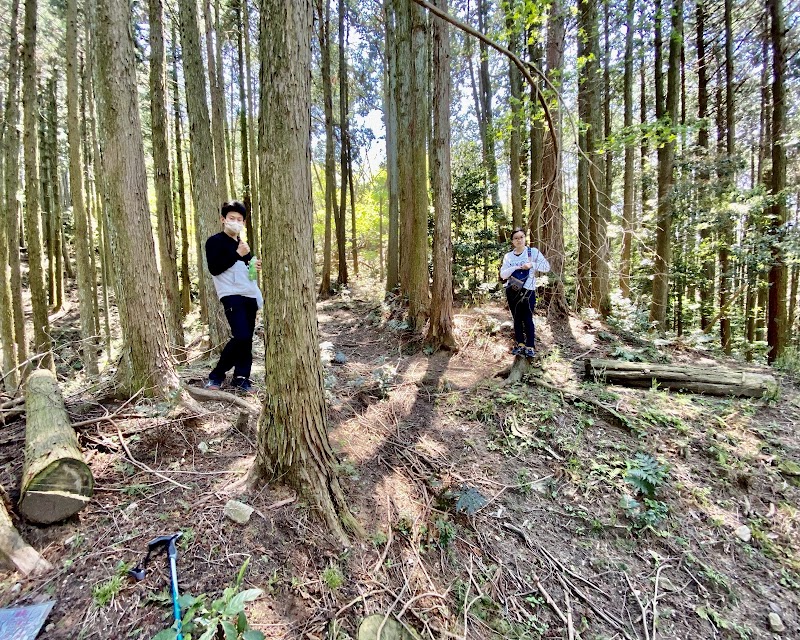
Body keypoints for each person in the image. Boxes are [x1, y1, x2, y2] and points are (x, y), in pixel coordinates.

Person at [204, 201, 263, 392]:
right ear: (223, 219)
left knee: (246, 339)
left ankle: (241, 378)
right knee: (241, 335)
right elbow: (215, 268)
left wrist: (254, 265)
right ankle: (217, 375)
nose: (235, 222)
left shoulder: (243, 244)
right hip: (230, 294)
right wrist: (237, 254)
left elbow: (248, 268)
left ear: (244, 222)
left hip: (249, 295)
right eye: (231, 218)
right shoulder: (215, 241)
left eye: (239, 219)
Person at [499, 228, 550, 358]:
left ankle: (530, 346)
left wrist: (532, 264)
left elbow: (546, 267)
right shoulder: (508, 256)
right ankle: (520, 344)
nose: (519, 240)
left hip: (529, 290)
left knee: (527, 318)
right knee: (516, 318)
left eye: (521, 237)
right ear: (512, 241)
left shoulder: (532, 252)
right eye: (516, 238)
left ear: (525, 238)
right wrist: (516, 267)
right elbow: (503, 274)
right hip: (513, 291)